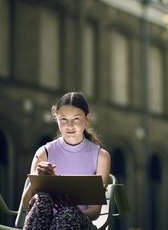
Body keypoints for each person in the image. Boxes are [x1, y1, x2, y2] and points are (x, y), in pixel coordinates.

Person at [21, 91, 111, 230]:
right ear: (56, 119)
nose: (69, 125)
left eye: (76, 119)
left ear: (87, 118)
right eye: (63, 119)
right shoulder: (44, 152)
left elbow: (95, 212)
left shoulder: (101, 156)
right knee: (42, 198)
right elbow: (26, 204)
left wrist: (69, 209)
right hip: (45, 222)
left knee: (68, 212)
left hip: (79, 222)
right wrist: (38, 178)